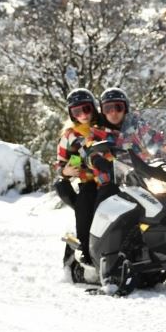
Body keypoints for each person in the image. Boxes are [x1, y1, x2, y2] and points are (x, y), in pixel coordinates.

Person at [55, 89, 113, 266]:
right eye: (76, 112)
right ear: (71, 114)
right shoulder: (70, 135)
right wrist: (65, 172)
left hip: (114, 179)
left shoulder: (105, 126)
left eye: (86, 109)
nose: (83, 115)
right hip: (89, 183)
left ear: (94, 108)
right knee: (85, 210)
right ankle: (86, 255)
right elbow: (60, 163)